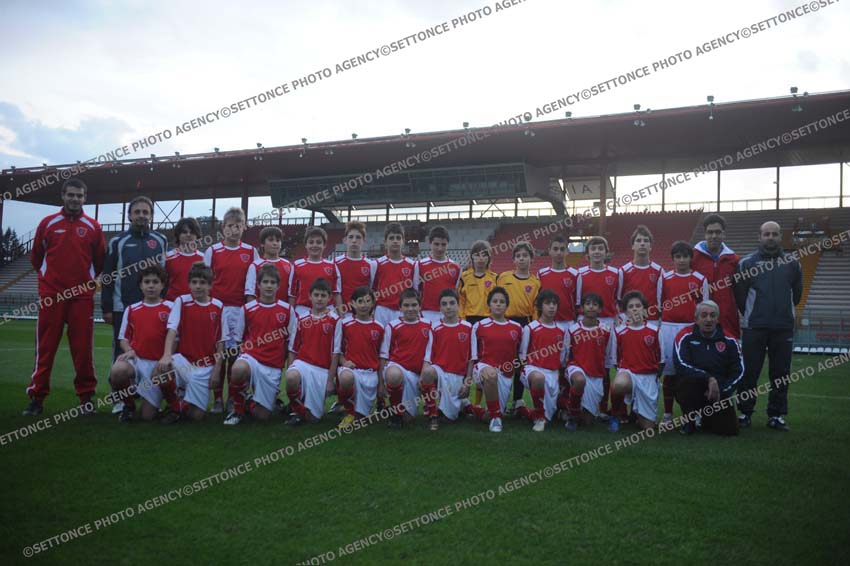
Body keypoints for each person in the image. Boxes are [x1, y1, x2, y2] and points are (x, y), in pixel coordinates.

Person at [24, 178, 105, 416]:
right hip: (52, 297)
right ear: (63, 196)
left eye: (79, 196)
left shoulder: (93, 227)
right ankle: (37, 398)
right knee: (45, 348)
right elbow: (36, 258)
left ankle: (86, 398)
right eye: (71, 195)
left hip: (81, 298)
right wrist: (51, 283)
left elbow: (99, 261)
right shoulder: (48, 223)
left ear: (85, 198)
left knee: (83, 350)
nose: (75, 199)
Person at [734, 221, 802, 431]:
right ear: (759, 236)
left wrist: (782, 313)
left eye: (774, 234)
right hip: (754, 327)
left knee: (781, 373)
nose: (770, 237)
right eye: (766, 234)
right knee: (749, 372)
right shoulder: (746, 264)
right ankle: (745, 413)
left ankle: (776, 415)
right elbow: (740, 297)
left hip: (783, 327)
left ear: (780, 237)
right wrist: (755, 314)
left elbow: (797, 295)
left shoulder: (793, 263)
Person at [225, 264, 295, 425]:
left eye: (272, 282)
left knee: (262, 416)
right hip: (252, 358)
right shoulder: (247, 308)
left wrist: (285, 364)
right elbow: (238, 339)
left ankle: (249, 400)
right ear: (258, 285)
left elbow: (290, 341)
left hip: (272, 365)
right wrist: (242, 356)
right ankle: (237, 410)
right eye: (265, 282)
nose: (269, 286)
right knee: (238, 368)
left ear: (278, 286)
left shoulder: (287, 310)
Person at [203, 207, 258, 413]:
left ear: (244, 227)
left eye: (238, 226)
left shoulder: (251, 252)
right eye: (230, 226)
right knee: (218, 355)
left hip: (240, 310)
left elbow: (254, 283)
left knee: (235, 355)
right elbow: (205, 281)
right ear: (223, 228)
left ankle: (233, 398)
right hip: (217, 310)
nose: (234, 230)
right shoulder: (213, 251)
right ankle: (217, 398)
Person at [102, 196, 168, 362]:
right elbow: (107, 276)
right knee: (121, 352)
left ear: (151, 216)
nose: (141, 215)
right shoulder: (117, 241)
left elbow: (164, 274)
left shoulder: (161, 240)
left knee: (151, 348)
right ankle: (118, 379)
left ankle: (148, 380)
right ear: (129, 216)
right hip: (122, 307)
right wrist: (107, 308)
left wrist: (164, 300)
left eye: (145, 212)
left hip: (153, 306)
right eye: (137, 212)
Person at [158, 262, 224, 423]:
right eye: (194, 282)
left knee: (196, 417)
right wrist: (166, 355)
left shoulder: (218, 306)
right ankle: (174, 406)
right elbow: (172, 330)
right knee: (159, 370)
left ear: (210, 285)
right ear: (189, 284)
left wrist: (217, 370)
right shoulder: (181, 301)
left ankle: (181, 402)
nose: (198, 286)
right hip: (184, 361)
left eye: (202, 282)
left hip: (205, 367)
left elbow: (221, 343)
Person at [109, 264, 174, 422]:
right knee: (117, 371)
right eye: (147, 282)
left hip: (159, 363)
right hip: (137, 361)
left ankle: (173, 405)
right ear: (140, 285)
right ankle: (129, 406)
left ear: (162, 285)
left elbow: (175, 338)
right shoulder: (132, 309)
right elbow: (123, 338)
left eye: (155, 282)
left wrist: (167, 357)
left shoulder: (171, 308)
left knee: (147, 417)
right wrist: (129, 350)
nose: (151, 286)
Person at [674, 301, 744, 436]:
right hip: (694, 386)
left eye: (712, 315)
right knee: (685, 383)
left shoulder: (730, 340)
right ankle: (689, 420)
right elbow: (681, 365)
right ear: (696, 319)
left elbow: (739, 371)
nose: (708, 319)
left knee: (729, 431)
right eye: (704, 315)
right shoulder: (684, 336)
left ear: (717, 319)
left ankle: (707, 419)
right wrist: (709, 379)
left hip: (719, 390)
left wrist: (721, 391)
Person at [658, 241, 709, 424]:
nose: (681, 260)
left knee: (692, 373)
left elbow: (704, 307)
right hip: (668, 328)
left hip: (690, 329)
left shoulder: (700, 279)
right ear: (673, 259)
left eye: (685, 256)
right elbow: (658, 303)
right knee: (669, 373)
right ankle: (668, 414)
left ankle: (694, 413)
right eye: (677, 257)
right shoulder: (665, 278)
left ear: (690, 258)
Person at [285, 278, 339, 425]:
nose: (319, 298)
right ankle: (296, 409)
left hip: (322, 370)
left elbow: (336, 353)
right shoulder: (301, 319)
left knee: (313, 420)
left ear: (329, 298)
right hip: (302, 364)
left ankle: (299, 409)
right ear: (310, 296)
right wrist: (291, 369)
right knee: (291, 377)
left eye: (323, 295)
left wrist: (330, 381)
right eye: (316, 295)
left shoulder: (335, 320)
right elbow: (293, 349)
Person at [575, 236, 619, 418]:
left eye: (601, 248)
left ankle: (602, 407)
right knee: (582, 362)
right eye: (593, 249)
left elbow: (618, 299)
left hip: (607, 322)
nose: (597, 252)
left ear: (606, 252)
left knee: (605, 366)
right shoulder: (580, 274)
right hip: (585, 322)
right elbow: (578, 300)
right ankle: (576, 404)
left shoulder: (616, 273)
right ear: (587, 254)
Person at [470, 287, 523, 433]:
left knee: (489, 414)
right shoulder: (479, 326)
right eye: (495, 301)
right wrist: (470, 378)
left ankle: (472, 409)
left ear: (507, 305)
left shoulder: (517, 328)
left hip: (505, 374)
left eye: (502, 301)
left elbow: (520, 355)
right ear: (489, 304)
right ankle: (496, 419)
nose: (498, 304)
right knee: (491, 375)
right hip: (483, 368)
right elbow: (473, 355)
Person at [497, 241, 540, 415]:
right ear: (513, 260)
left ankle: (517, 400)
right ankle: (500, 401)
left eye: (525, 256)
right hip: (506, 323)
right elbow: (496, 299)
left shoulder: (535, 282)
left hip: (525, 324)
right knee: (504, 363)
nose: (522, 259)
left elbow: (536, 307)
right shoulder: (503, 277)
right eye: (518, 256)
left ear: (531, 259)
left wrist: (534, 326)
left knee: (520, 363)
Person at [380, 289, 433, 428]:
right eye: (406, 305)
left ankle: (427, 411)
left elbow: (430, 353)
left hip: (417, 374)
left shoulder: (428, 325)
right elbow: (384, 355)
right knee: (393, 375)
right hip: (398, 368)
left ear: (420, 306)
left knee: (409, 419)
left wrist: (424, 374)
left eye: (414, 305)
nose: (410, 309)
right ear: (400, 307)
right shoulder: (392, 326)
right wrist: (381, 383)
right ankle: (396, 413)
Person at [609, 291, 662, 432]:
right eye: (631, 306)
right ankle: (615, 414)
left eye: (638, 306)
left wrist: (654, 378)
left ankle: (636, 412)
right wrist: (624, 371)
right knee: (619, 384)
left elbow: (661, 360)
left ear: (644, 309)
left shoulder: (655, 330)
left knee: (648, 429)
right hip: (629, 373)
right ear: (626, 311)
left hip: (648, 377)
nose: (634, 309)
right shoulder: (619, 331)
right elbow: (615, 360)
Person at [564, 293, 617, 431]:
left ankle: (569, 407)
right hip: (576, 369)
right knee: (579, 380)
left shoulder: (606, 330)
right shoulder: (572, 329)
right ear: (582, 308)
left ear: (600, 309)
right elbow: (566, 354)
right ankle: (572, 416)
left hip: (596, 374)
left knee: (587, 422)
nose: (591, 307)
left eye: (595, 304)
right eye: (587, 304)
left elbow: (608, 355)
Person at [422, 289, 474, 429]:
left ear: (458, 305)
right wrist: (423, 377)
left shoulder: (468, 327)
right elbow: (428, 355)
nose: (448, 307)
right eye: (444, 304)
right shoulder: (435, 327)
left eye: (452, 303)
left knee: (449, 418)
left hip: (457, 376)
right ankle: (432, 415)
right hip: (440, 372)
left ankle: (464, 405)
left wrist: (467, 383)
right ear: (440, 308)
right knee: (427, 372)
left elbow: (471, 359)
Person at [333, 286, 385, 428]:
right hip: (351, 370)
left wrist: (381, 383)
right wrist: (344, 362)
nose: (364, 305)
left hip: (370, 374)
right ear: (353, 304)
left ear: (373, 303)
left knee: (362, 420)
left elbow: (381, 356)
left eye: (368, 301)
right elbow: (337, 350)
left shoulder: (379, 327)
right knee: (346, 378)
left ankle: (362, 409)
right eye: (360, 301)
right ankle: (349, 411)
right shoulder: (344, 324)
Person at [520, 290, 567, 432]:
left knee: (550, 416)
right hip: (533, 370)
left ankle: (524, 411)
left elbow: (562, 358)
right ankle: (539, 417)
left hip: (552, 373)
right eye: (547, 303)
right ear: (540, 306)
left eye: (554, 304)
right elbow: (522, 355)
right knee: (539, 378)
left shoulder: (562, 330)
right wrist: (526, 371)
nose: (551, 306)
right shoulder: (530, 328)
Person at [458, 239, 498, 408]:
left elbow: (497, 301)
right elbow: (460, 300)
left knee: (483, 359)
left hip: (486, 323)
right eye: (477, 255)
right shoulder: (464, 277)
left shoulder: (495, 278)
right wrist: (462, 320)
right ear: (472, 257)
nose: (480, 259)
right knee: (467, 359)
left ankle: (478, 402)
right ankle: (463, 398)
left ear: (489, 258)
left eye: (484, 255)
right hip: (468, 322)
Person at [692, 214, 741, 338]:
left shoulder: (734, 260)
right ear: (705, 234)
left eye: (718, 232)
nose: (714, 236)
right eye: (710, 232)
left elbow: (741, 291)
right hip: (699, 320)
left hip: (727, 320)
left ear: (723, 234)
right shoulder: (693, 258)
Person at [289, 226, 339, 319]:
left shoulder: (331, 266)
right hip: (303, 310)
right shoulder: (297, 265)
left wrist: (340, 314)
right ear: (306, 245)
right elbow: (292, 294)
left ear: (324, 245)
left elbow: (336, 293)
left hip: (327, 310)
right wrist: (290, 315)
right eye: (311, 242)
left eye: (318, 242)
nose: (314, 245)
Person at [415, 225, 461, 324]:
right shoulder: (420, 265)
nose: (440, 248)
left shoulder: (456, 267)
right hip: (427, 313)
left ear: (448, 244)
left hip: (447, 314)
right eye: (436, 244)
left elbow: (456, 292)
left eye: (443, 244)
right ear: (430, 243)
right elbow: (415, 290)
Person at [373, 223, 415, 327]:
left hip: (403, 310)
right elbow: (372, 288)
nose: (395, 241)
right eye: (391, 238)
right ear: (385, 242)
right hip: (382, 310)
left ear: (403, 241)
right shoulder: (377, 264)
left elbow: (414, 289)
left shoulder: (412, 265)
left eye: (398, 238)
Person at [618, 225, 663, 322]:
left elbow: (662, 298)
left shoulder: (659, 271)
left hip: (652, 320)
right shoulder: (623, 271)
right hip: (629, 321)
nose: (642, 243)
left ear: (650, 247)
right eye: (638, 240)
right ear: (633, 246)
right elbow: (618, 298)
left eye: (646, 241)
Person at [333, 221, 376, 316]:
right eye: (351, 237)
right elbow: (335, 291)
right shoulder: (335, 263)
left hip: (363, 314)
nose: (354, 240)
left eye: (358, 237)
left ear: (364, 241)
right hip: (342, 313)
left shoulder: (371, 264)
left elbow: (372, 290)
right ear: (345, 240)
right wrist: (341, 314)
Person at [538, 234, 578, 333]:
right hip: (547, 323)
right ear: (549, 251)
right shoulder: (541, 274)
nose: (559, 252)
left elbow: (578, 302)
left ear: (567, 251)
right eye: (555, 249)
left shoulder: (575, 274)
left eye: (562, 249)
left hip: (568, 323)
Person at [244, 226, 293, 304]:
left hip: (282, 310)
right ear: (262, 244)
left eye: (278, 240)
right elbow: (250, 294)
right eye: (271, 240)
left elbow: (291, 294)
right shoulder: (255, 265)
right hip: (261, 309)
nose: (275, 243)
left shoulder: (288, 265)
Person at [165, 217, 204, 302]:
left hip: (196, 304)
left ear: (197, 235)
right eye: (184, 232)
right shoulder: (168, 257)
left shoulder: (204, 258)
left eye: (192, 232)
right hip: (173, 303)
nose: (188, 235)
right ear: (178, 235)